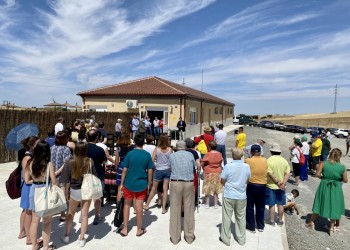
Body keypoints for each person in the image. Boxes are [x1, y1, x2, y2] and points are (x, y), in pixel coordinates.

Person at [60, 143, 98, 247]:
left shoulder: (69, 162)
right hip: (86, 190)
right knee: (84, 214)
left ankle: (67, 235)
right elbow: (95, 176)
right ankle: (82, 238)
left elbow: (65, 180)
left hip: (74, 190)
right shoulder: (90, 161)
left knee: (70, 213)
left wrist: (67, 192)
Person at [306, 148, 348, 236]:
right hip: (336, 187)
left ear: (330, 154)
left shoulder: (323, 163)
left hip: (324, 185)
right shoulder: (342, 167)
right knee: (334, 206)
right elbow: (345, 180)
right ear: (339, 156)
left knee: (320, 202)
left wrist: (324, 178)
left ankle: (311, 222)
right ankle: (331, 228)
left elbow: (317, 174)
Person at [24, 141, 58, 250]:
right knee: (47, 221)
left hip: (33, 190)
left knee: (35, 221)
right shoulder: (49, 164)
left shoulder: (30, 162)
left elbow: (26, 180)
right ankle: (46, 247)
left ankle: (34, 246)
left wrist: (36, 182)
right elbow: (53, 181)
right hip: (45, 192)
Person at [119, 134, 153, 237]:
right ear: (144, 142)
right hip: (142, 184)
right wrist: (149, 183)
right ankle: (139, 229)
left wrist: (121, 184)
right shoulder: (147, 155)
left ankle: (125, 228)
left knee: (126, 205)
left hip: (129, 183)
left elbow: (124, 170)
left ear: (135, 142)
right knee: (139, 207)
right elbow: (150, 171)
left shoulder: (130, 154)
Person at [220, 147, 251, 246]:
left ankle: (226, 238)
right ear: (242, 156)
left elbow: (222, 180)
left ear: (233, 156)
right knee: (241, 218)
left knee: (226, 217)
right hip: (241, 195)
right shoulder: (246, 166)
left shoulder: (228, 166)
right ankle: (241, 239)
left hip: (229, 194)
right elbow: (248, 180)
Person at [169, 140, 196, 245]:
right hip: (188, 183)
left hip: (176, 183)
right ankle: (189, 236)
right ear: (185, 147)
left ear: (177, 147)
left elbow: (169, 168)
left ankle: (175, 237)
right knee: (189, 209)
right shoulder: (190, 155)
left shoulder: (172, 156)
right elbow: (195, 167)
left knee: (175, 209)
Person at [144, 134, 172, 213]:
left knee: (153, 188)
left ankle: (147, 205)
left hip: (158, 169)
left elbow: (152, 160)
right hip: (167, 170)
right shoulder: (170, 149)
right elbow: (171, 160)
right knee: (165, 189)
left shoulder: (157, 149)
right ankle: (163, 208)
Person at [18, 136, 39, 245]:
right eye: (37, 144)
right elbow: (27, 179)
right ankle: (29, 238)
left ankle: (22, 232)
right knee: (29, 212)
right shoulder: (28, 157)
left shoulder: (29, 155)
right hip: (28, 187)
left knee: (25, 210)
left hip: (26, 187)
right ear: (32, 146)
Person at [265, 143, 290, 227]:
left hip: (271, 185)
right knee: (280, 204)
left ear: (271, 151)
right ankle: (280, 220)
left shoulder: (269, 160)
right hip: (282, 187)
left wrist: (277, 182)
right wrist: (283, 183)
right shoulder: (284, 160)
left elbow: (270, 173)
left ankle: (271, 220)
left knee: (271, 204)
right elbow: (287, 173)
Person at [245, 144, 268, 233]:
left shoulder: (247, 160)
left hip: (251, 184)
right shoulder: (265, 160)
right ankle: (260, 226)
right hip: (262, 185)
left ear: (251, 152)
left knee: (250, 206)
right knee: (260, 206)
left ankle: (251, 226)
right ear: (260, 152)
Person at [86, 129, 107, 225]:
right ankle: (96, 216)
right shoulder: (100, 149)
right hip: (98, 174)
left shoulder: (83, 148)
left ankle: (84, 215)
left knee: (86, 197)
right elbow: (104, 161)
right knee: (97, 197)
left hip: (85, 174)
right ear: (97, 138)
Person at [50, 131, 72, 221]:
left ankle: (51, 212)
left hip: (52, 174)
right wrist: (57, 172)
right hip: (62, 175)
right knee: (63, 194)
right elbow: (65, 163)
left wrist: (53, 173)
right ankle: (62, 214)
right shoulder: (66, 149)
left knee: (52, 193)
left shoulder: (52, 148)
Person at [201, 141, 223, 209]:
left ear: (209, 147)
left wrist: (203, 168)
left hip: (208, 171)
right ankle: (216, 203)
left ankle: (207, 204)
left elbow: (203, 163)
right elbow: (220, 162)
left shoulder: (208, 154)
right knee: (216, 187)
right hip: (217, 171)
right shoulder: (219, 154)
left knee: (208, 186)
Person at [116, 134, 134, 203]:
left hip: (121, 167)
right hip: (130, 167)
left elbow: (116, 161)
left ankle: (118, 207)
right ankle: (130, 204)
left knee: (120, 187)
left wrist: (116, 169)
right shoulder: (132, 148)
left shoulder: (119, 148)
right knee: (131, 187)